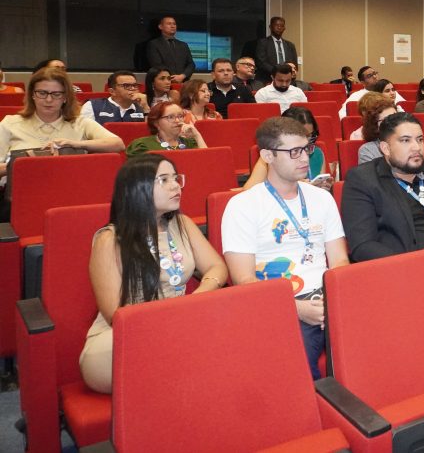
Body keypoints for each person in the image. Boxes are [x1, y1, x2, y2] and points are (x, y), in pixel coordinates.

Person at [79, 155, 227, 393]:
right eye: (164, 180)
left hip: (178, 326)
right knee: (204, 349)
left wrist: (198, 297)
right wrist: (170, 322)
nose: (176, 186)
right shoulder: (109, 239)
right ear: (137, 189)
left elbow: (217, 267)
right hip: (123, 339)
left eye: (176, 178)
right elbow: (114, 314)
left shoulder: (182, 224)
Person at [223, 116, 349, 378]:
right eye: (293, 152)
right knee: (296, 362)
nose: (304, 158)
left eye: (306, 149)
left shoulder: (322, 198)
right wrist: (297, 309)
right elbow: (244, 280)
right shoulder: (242, 205)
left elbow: (339, 260)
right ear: (267, 155)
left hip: (328, 294)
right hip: (278, 302)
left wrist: (332, 299)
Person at [341, 113, 424, 310]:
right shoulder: (363, 180)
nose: (416, 147)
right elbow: (362, 246)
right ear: (385, 148)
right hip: (409, 275)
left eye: (419, 139)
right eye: (405, 141)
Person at [0, 67, 124, 181]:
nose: (48, 100)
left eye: (56, 94)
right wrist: (22, 165)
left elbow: (118, 144)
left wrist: (76, 144)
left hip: (70, 189)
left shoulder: (80, 123)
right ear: (32, 95)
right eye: (42, 93)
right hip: (23, 190)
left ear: (65, 97)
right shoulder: (10, 123)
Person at [244, 107, 333, 190]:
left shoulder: (316, 152)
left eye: (310, 135)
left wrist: (321, 189)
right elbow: (249, 191)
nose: (307, 140)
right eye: (302, 135)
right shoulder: (273, 155)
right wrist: (294, 185)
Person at [125, 102, 208, 156]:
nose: (177, 120)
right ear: (156, 122)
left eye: (180, 116)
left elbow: (206, 163)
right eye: (170, 117)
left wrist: (197, 135)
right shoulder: (142, 145)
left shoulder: (190, 143)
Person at [80, 71, 148, 125]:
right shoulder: (92, 106)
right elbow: (82, 131)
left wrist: (146, 108)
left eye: (135, 85)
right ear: (112, 91)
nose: (132, 88)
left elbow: (150, 134)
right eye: (126, 85)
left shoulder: (142, 106)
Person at [145, 16, 195, 83]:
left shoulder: (183, 45)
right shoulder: (154, 44)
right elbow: (157, 65)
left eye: (174, 24)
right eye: (169, 24)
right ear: (160, 26)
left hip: (183, 82)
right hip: (164, 82)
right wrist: (172, 77)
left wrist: (182, 76)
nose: (172, 26)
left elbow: (191, 64)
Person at [254, 16, 298, 85]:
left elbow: (294, 64)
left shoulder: (290, 45)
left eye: (281, 26)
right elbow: (261, 62)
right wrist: (277, 72)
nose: (279, 27)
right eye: (276, 25)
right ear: (270, 27)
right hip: (266, 80)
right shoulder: (263, 43)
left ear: (284, 28)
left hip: (286, 82)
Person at [356, 93, 397, 164]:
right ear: (375, 126)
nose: (395, 122)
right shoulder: (368, 150)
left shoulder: (410, 142)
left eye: (396, 117)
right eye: (386, 120)